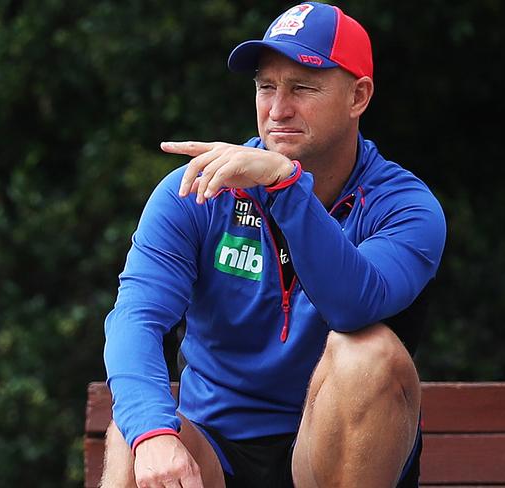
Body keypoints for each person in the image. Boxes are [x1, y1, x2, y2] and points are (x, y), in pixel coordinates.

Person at [102, 3, 446, 487]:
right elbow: (135, 318)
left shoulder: (404, 206)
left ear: (358, 96)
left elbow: (352, 306)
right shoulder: (194, 191)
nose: (278, 109)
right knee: (136, 432)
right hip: (215, 449)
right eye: (267, 86)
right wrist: (154, 434)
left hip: (330, 455)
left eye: (302, 87)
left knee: (369, 354)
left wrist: (286, 189)